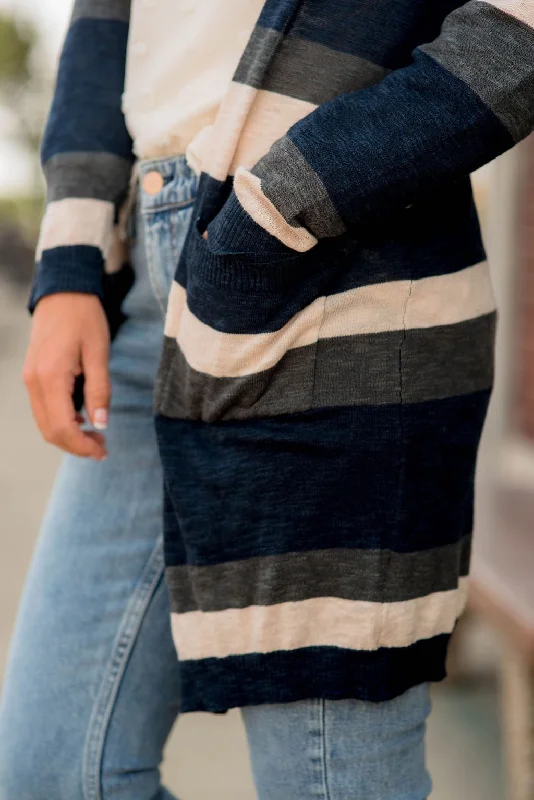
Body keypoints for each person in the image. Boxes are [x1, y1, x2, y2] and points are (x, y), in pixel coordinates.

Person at [1, 0, 533, 797]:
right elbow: (103, 18)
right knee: (54, 773)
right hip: (143, 294)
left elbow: (517, 38)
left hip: (339, 271)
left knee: (325, 780)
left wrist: (272, 210)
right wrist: (71, 266)